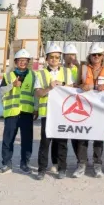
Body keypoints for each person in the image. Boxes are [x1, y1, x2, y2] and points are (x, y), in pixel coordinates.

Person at [75, 42, 104, 178]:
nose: (96, 57)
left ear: (103, 56)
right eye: (94, 54)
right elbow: (76, 85)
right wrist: (82, 86)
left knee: (98, 137)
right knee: (83, 137)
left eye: (99, 54)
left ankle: (97, 165)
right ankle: (81, 165)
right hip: (85, 108)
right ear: (90, 56)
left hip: (101, 109)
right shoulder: (83, 68)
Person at [0, 49, 35, 175]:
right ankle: (6, 164)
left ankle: (25, 164)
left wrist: (36, 109)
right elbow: (1, 91)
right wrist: (12, 85)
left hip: (26, 112)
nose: (23, 63)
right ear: (16, 62)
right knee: (8, 139)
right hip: (12, 112)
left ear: (28, 62)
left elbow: (36, 93)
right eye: (20, 60)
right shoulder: (8, 76)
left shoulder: (34, 76)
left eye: (25, 60)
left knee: (27, 140)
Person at [34, 43, 68, 180]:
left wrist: (63, 85)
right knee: (45, 143)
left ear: (60, 59)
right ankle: (41, 170)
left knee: (62, 142)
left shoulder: (66, 72)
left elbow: (72, 89)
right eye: (51, 57)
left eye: (57, 57)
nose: (54, 59)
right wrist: (49, 88)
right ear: (47, 58)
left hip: (62, 113)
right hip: (47, 113)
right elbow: (38, 93)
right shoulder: (40, 73)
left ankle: (62, 168)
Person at [62, 43, 81, 161]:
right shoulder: (60, 70)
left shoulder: (78, 69)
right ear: (63, 56)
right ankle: (60, 162)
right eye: (68, 54)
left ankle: (81, 158)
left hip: (76, 105)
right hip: (63, 104)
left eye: (73, 55)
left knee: (77, 135)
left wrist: (79, 67)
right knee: (62, 136)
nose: (71, 57)